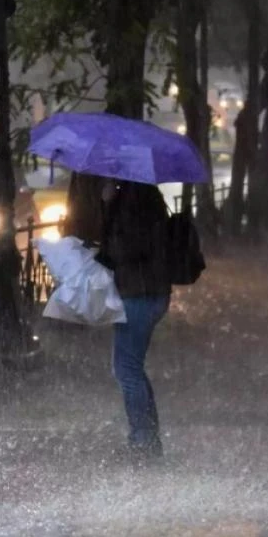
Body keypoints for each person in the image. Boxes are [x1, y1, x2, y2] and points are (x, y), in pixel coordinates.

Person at [96, 179, 171, 463]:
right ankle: (147, 440)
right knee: (131, 369)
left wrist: (109, 206)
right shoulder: (144, 195)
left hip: (140, 293)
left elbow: (127, 249)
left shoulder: (133, 199)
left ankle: (143, 442)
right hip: (148, 291)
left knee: (126, 370)